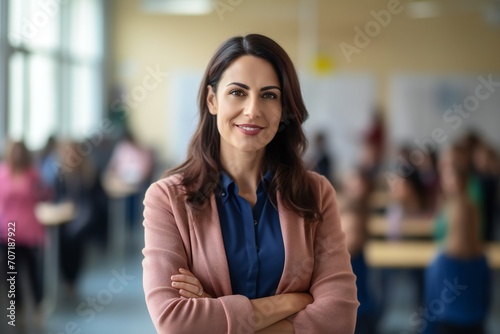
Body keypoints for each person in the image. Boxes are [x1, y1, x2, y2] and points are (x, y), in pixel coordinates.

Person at [142, 34, 359, 333]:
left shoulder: (316, 193)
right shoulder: (168, 199)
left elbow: (339, 318)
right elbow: (174, 321)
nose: (253, 110)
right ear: (212, 100)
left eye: (269, 95)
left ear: (284, 108)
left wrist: (212, 307)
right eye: (238, 92)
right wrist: (291, 302)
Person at [424, 163, 490, 334]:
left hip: (446, 324)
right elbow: (486, 300)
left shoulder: (440, 262)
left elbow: (431, 305)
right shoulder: (482, 260)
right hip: (475, 324)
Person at [0, 140, 52, 329]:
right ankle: (18, 308)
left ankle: (38, 305)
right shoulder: (2, 173)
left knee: (32, 270)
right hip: (8, 231)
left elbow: (46, 194)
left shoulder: (33, 175)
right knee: (11, 272)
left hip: (29, 230)